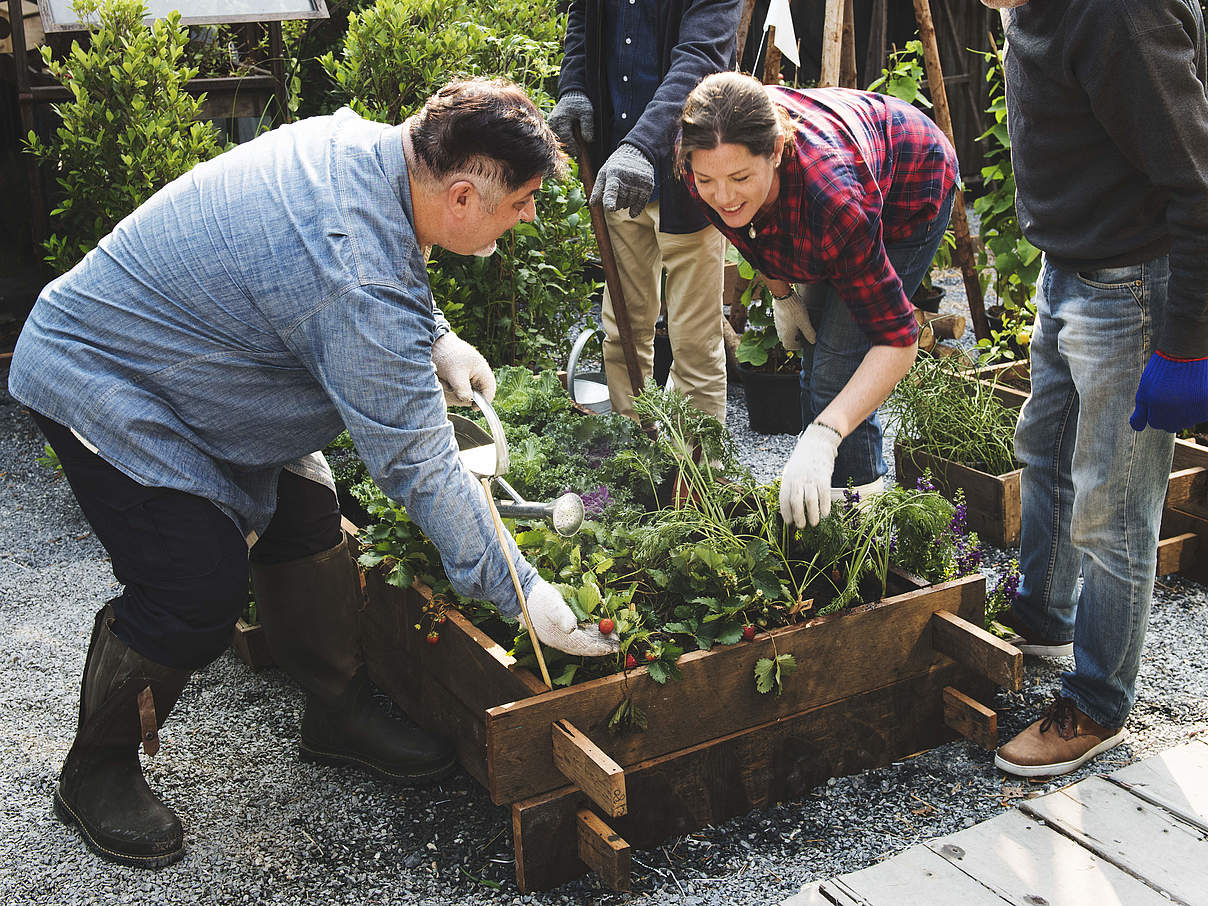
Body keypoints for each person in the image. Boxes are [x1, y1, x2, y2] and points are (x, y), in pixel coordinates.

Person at [7, 77, 618, 869]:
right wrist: (522, 590)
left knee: (306, 511)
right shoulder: (354, 278)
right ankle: (97, 767)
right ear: (462, 196)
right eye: (525, 200)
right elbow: (418, 461)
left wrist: (434, 336)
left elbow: (375, 258)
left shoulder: (367, 148)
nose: (531, 213)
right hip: (110, 374)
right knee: (195, 588)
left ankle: (334, 709)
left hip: (211, 360)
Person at [979, 0, 1208, 777]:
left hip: (1132, 287)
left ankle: (1100, 702)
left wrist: (1185, 346)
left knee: (1114, 507)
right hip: (1068, 268)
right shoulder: (1027, 6)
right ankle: (1044, 615)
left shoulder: (1119, 15)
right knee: (1041, 451)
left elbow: (1199, 182)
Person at [676, 71, 959, 527]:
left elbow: (898, 340)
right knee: (815, 360)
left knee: (835, 374)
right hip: (847, 178)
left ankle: (860, 525)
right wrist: (782, 294)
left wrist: (824, 436)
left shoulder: (833, 203)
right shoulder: (702, 160)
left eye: (740, 177)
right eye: (708, 180)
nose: (723, 196)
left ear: (775, 151)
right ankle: (825, 510)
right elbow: (749, 233)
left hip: (912, 182)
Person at [547, 0, 741, 422]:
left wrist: (643, 146)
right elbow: (583, 14)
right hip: (617, 170)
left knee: (693, 343)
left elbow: (701, 63)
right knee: (622, 334)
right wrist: (574, 86)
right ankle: (634, 457)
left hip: (688, 174)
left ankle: (698, 474)